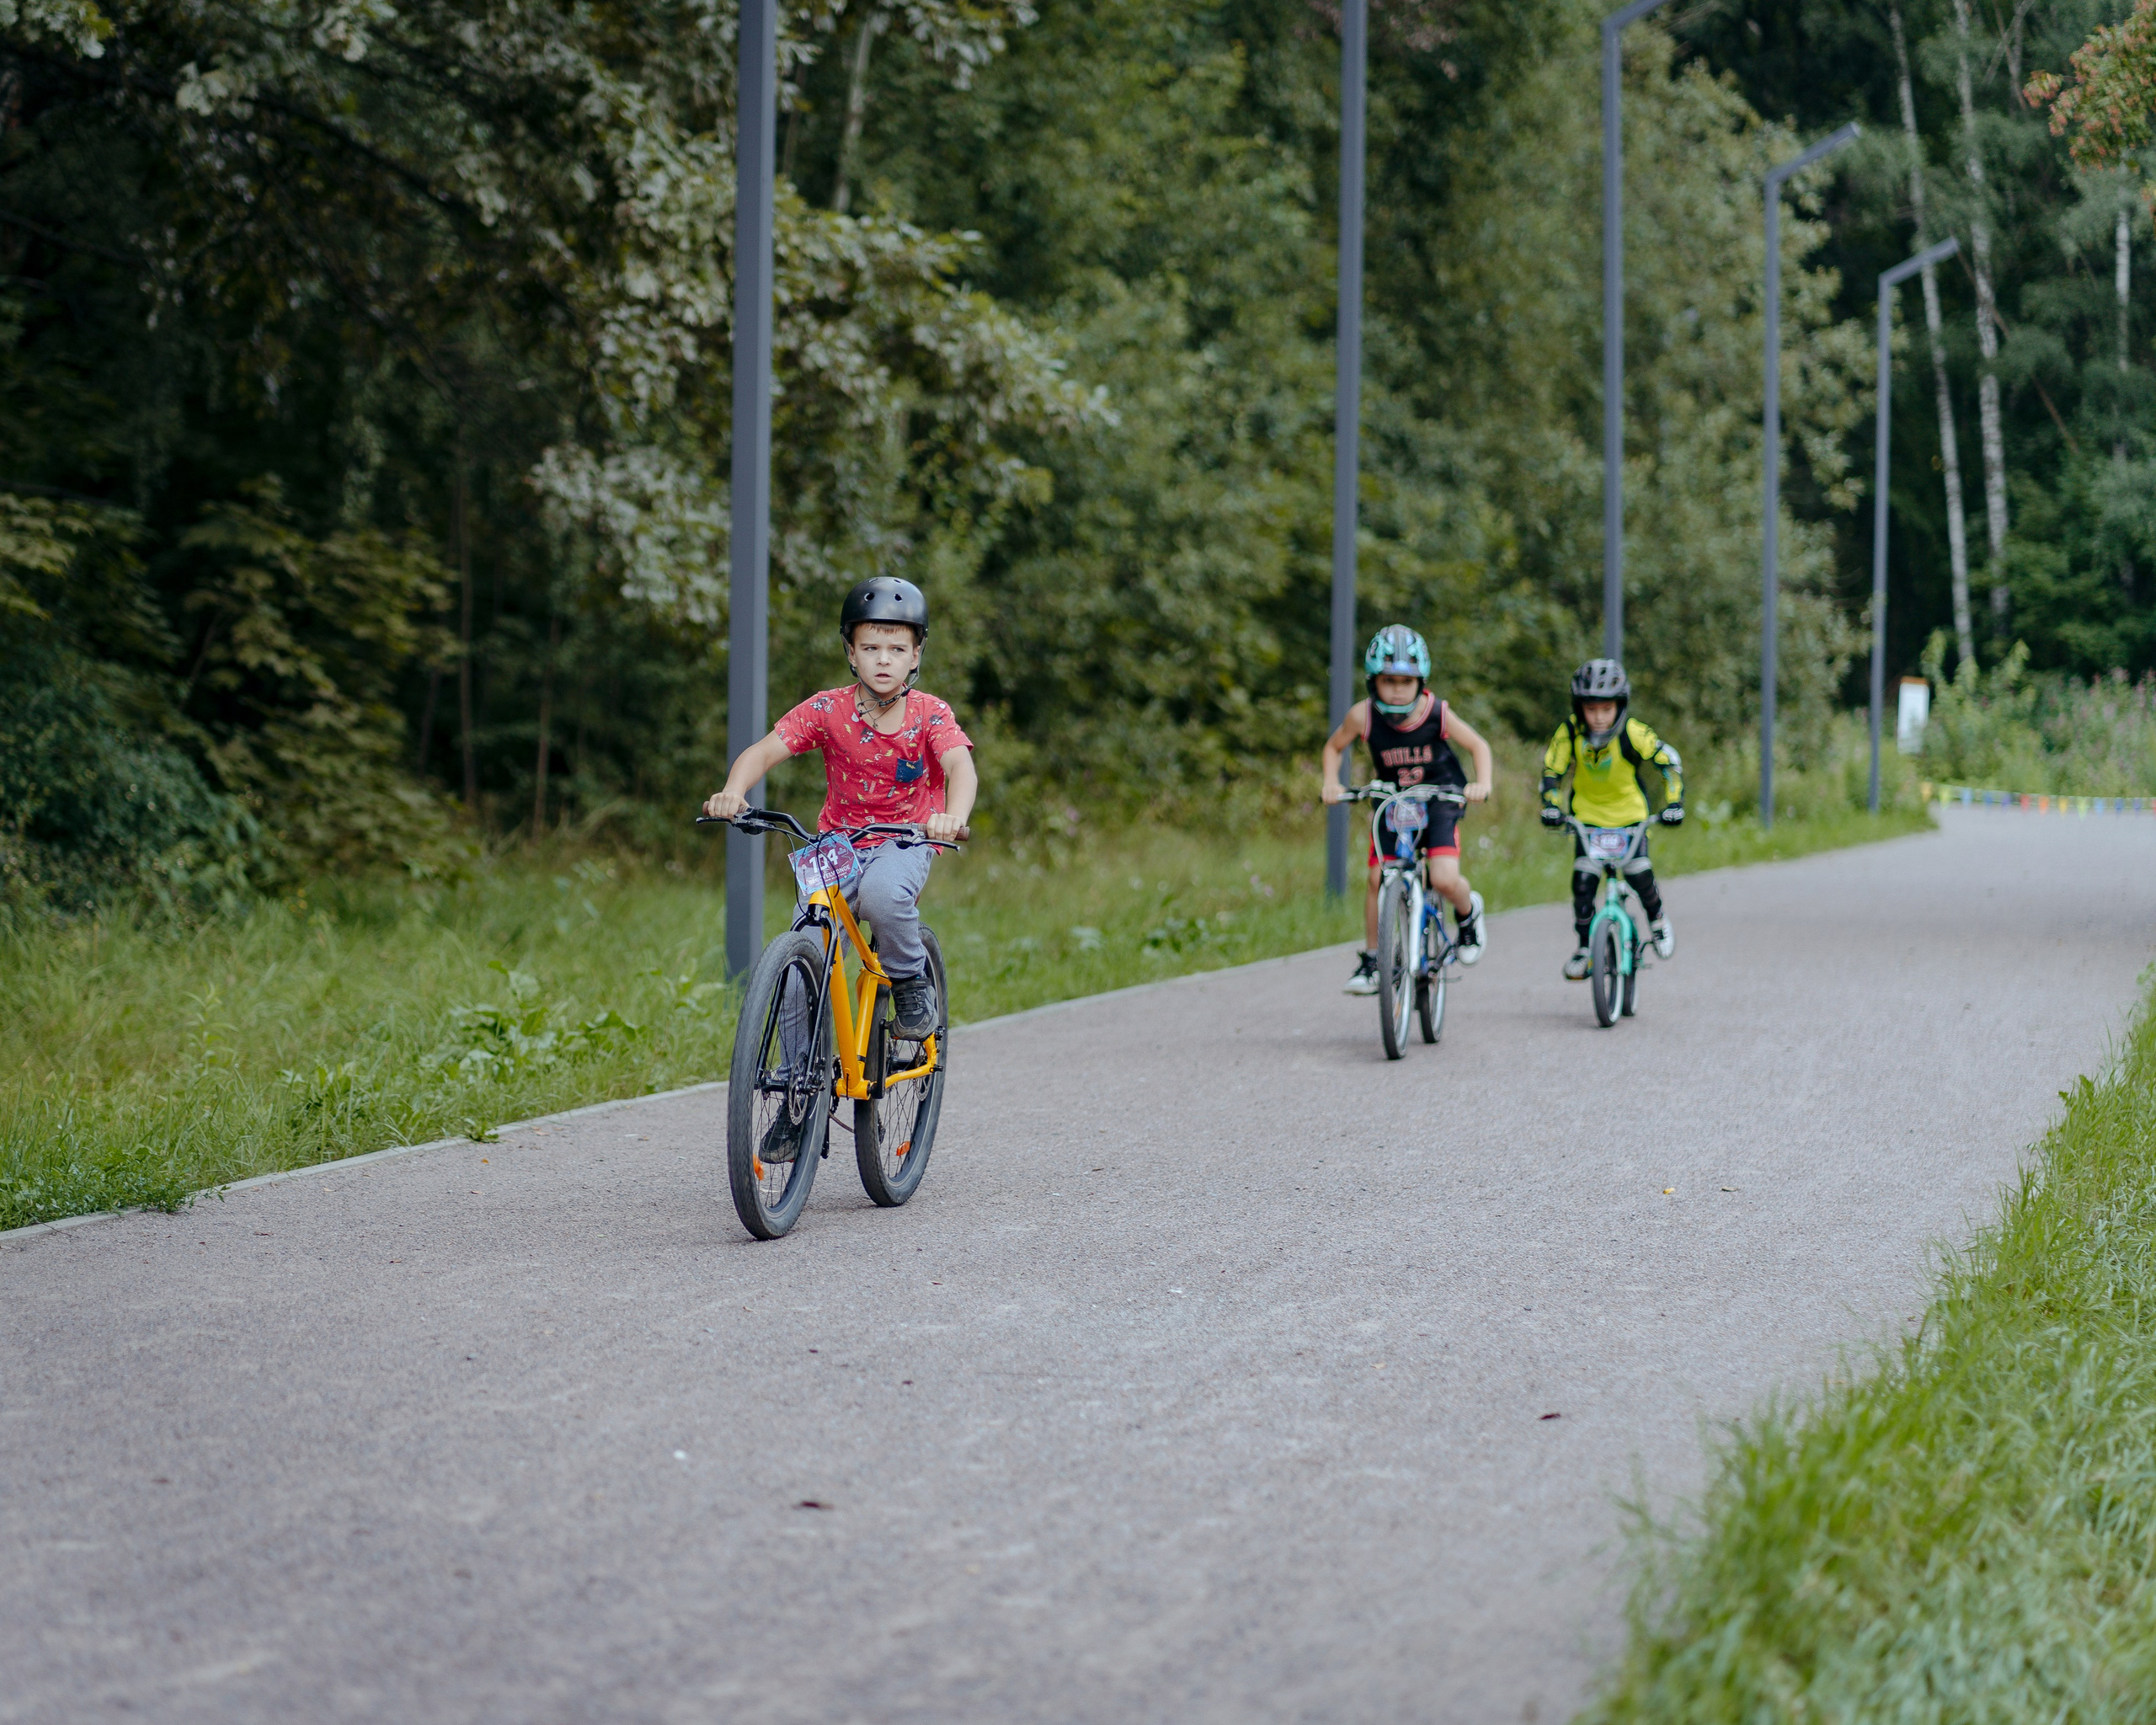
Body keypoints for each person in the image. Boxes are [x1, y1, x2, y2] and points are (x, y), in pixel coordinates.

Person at [704, 575, 975, 1040]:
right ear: (851, 653)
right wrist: (733, 791)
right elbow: (762, 753)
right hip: (836, 847)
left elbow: (959, 767)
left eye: (896, 649)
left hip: (904, 841)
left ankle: (910, 982)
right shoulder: (828, 709)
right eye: (870, 648)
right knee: (799, 966)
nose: (883, 659)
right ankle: (795, 1078)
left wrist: (954, 817)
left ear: (915, 655)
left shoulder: (930, 713)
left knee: (882, 894)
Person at [1320, 624, 1495, 996]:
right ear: (1373, 681)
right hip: (1393, 801)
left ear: (1420, 682)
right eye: (1389, 681)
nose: (1398, 689)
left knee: (1443, 879)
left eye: (1406, 681)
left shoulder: (1437, 712)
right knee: (1376, 879)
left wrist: (1482, 783)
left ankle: (1468, 915)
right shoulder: (1363, 716)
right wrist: (1331, 782)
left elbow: (1478, 746)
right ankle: (1373, 961)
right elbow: (1334, 747)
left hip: (1440, 797)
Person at [1539, 658, 1684, 980]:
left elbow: (1668, 761)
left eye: (1607, 709)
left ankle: (1657, 919)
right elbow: (1552, 771)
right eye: (1591, 709)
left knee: (1639, 873)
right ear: (1579, 707)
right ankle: (1584, 948)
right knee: (1583, 883)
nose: (1599, 717)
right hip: (1587, 820)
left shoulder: (1632, 732)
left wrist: (1675, 803)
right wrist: (1551, 805)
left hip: (1630, 818)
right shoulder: (1570, 732)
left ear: (1620, 705)